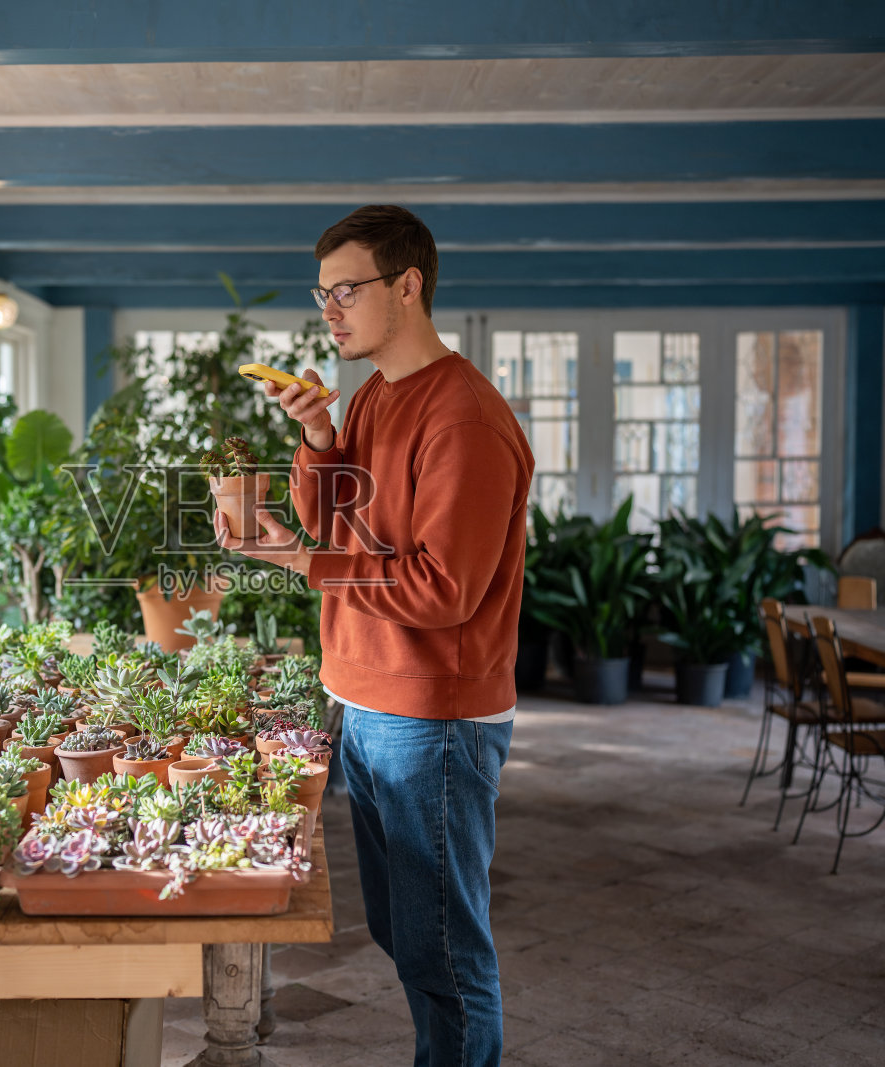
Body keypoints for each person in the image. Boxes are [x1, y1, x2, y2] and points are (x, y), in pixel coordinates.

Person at [215, 204, 534, 1067]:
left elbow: (441, 590)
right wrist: (319, 436)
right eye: (322, 294)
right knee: (406, 933)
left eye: (346, 289)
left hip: (430, 718)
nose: (329, 310)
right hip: (366, 699)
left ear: (408, 285)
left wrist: (297, 563)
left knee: (444, 953)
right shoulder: (375, 398)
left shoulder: (463, 416)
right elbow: (333, 521)